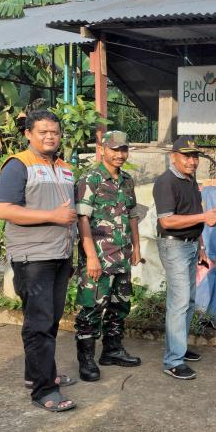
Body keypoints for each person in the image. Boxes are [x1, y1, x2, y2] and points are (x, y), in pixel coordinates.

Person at [0, 110, 78, 412]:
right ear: (28, 134)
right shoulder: (18, 165)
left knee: (50, 320)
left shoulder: (65, 168)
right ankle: (45, 390)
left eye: (54, 131)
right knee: (39, 324)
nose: (50, 136)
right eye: (43, 131)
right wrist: (52, 216)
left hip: (60, 254)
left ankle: (37, 375)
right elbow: (5, 209)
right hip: (33, 257)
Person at [74, 131, 142, 382]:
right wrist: (91, 257)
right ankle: (86, 360)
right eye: (114, 149)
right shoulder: (90, 179)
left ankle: (112, 350)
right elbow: (82, 220)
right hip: (99, 259)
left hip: (122, 256)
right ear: (102, 149)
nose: (119, 154)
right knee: (92, 307)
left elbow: (132, 215)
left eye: (123, 149)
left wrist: (136, 247)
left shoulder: (127, 180)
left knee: (119, 305)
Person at [153, 136, 216, 380]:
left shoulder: (190, 180)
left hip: (191, 245)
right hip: (174, 246)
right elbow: (167, 221)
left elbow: (193, 212)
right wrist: (204, 218)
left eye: (195, 156)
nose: (192, 161)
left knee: (188, 300)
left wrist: (201, 246)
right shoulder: (166, 182)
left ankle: (178, 347)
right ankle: (173, 360)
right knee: (179, 303)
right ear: (174, 157)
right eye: (186, 156)